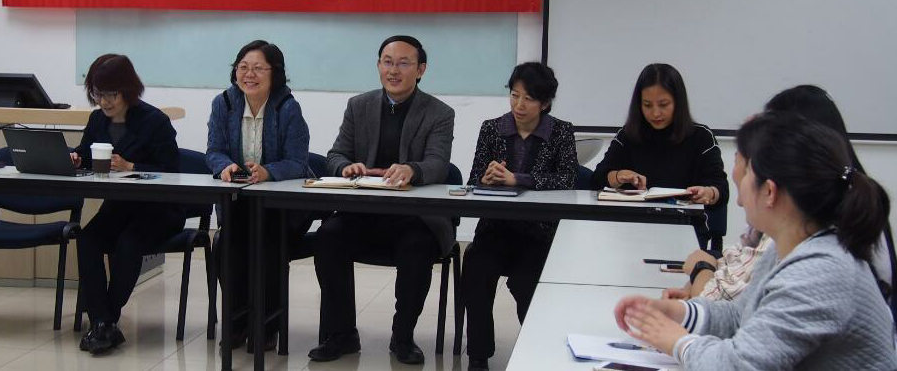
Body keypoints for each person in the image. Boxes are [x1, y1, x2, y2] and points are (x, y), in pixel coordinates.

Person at [613, 111, 897, 370]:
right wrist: (680, 313)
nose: (737, 176)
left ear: (769, 192)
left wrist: (676, 341)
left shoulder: (820, 271)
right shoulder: (786, 247)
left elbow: (739, 365)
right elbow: (741, 317)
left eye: (747, 168)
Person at [664, 84, 894, 304]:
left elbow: (734, 311)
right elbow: (738, 305)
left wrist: (701, 270)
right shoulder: (807, 215)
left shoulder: (810, 235)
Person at [307, 35, 455, 365]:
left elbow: (438, 163)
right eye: (387, 62)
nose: (394, 70)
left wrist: (412, 170)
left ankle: (402, 338)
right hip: (363, 212)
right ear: (378, 65)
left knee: (418, 248)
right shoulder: (358, 106)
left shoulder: (439, 113)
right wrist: (346, 167)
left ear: (421, 69)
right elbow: (335, 154)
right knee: (328, 238)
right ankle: (342, 333)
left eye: (404, 63)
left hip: (414, 217)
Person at [461, 62, 578, 371]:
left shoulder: (561, 131)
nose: (519, 105)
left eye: (529, 98)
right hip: (495, 230)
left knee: (528, 282)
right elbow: (473, 179)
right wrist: (485, 178)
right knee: (476, 270)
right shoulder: (492, 128)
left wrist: (518, 179)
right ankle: (478, 356)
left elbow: (567, 180)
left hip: (538, 233)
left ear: (545, 103)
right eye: (514, 95)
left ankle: (537, 349)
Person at [205, 40, 311, 351]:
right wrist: (225, 166)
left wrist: (267, 172)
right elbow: (213, 151)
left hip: (279, 208)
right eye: (243, 68)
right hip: (239, 204)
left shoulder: (287, 107)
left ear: (274, 73)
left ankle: (266, 326)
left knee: (267, 246)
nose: (249, 75)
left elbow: (298, 162)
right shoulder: (224, 103)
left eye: (258, 68)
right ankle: (237, 322)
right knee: (226, 246)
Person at [74, 54, 182, 355]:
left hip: (159, 210)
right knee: (87, 239)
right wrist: (76, 158)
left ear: (128, 90)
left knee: (128, 243)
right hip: (118, 207)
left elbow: (173, 171)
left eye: (111, 94)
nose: (104, 102)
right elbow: (85, 153)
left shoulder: (154, 121)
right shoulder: (97, 120)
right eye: (98, 94)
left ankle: (104, 321)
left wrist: (132, 166)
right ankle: (103, 322)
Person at [591, 63, 728, 248]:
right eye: (647, 105)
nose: (655, 113)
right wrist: (617, 176)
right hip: (629, 232)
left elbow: (721, 188)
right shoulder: (628, 135)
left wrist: (709, 192)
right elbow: (596, 180)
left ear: (678, 102)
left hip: (685, 232)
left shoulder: (701, 137)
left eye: (663, 104)